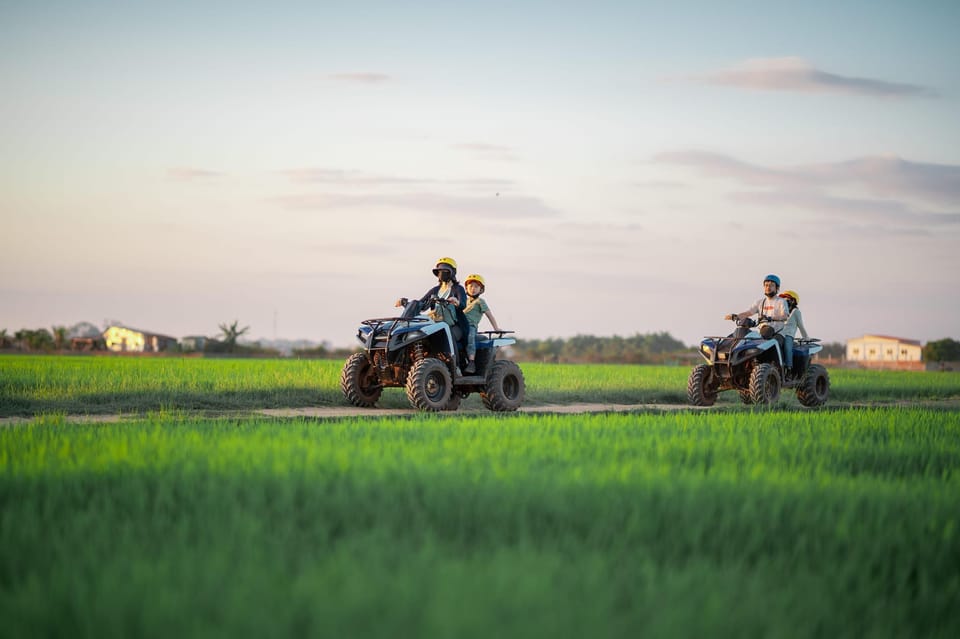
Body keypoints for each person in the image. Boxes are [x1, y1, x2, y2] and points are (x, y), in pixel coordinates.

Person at [396, 256, 468, 336]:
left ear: (452, 272)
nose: (441, 273)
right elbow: (420, 304)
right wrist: (405, 303)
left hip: (453, 325)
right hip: (435, 322)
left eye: (445, 270)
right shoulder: (435, 290)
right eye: (439, 271)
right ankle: (402, 326)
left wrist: (456, 302)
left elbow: (463, 304)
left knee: (442, 336)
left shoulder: (458, 288)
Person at [461, 274, 501, 373]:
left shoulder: (480, 301)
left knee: (470, 338)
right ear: (466, 288)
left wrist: (496, 328)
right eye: (471, 286)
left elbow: (489, 315)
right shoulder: (463, 301)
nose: (473, 289)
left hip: (471, 327)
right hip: (460, 326)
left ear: (481, 289)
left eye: (476, 286)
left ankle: (471, 362)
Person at [778, 290, 808, 377]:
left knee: (788, 348)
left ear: (793, 300)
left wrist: (806, 337)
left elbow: (801, 326)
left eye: (786, 298)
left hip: (788, 335)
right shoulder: (782, 312)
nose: (784, 300)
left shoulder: (796, 312)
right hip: (779, 334)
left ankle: (789, 369)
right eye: (783, 298)